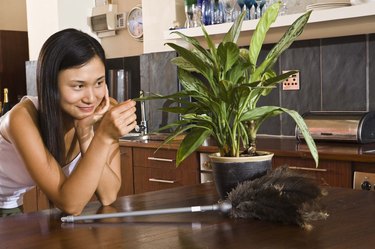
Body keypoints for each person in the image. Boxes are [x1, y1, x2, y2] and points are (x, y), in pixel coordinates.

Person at [0, 28, 137, 216]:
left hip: (10, 201)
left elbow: (108, 194)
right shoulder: (21, 119)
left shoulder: (102, 112)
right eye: (78, 86)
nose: (91, 98)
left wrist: (87, 136)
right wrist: (103, 137)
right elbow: (70, 204)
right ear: (51, 85)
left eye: (98, 83)